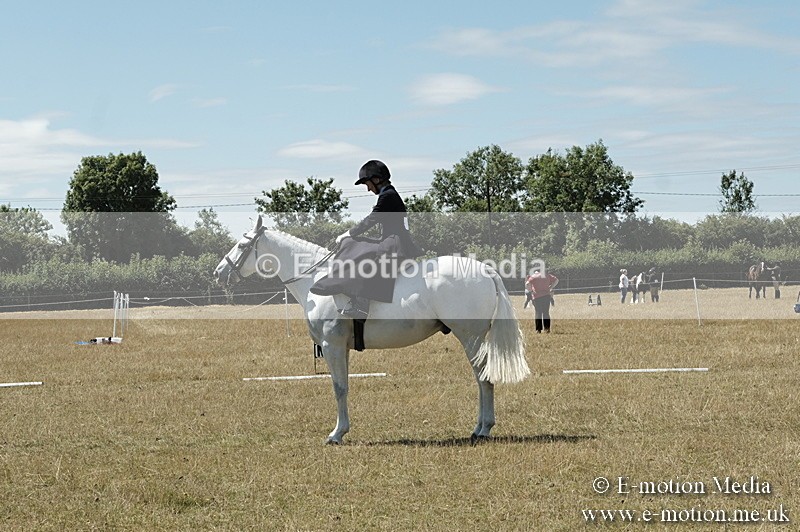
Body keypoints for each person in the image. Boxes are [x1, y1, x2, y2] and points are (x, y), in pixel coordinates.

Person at [310, 160, 423, 319]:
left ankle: (361, 306)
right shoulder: (388, 193)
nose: (368, 188)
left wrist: (349, 233)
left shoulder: (388, 195)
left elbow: (372, 219)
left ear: (377, 179)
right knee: (357, 246)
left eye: (368, 184)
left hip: (395, 244)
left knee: (365, 260)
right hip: (391, 240)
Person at [527, 268, 559, 333]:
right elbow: (556, 280)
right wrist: (550, 287)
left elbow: (527, 284)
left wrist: (531, 291)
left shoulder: (533, 276)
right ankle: (547, 329)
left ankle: (538, 330)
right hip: (546, 296)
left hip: (537, 297)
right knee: (546, 312)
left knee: (538, 312)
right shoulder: (547, 275)